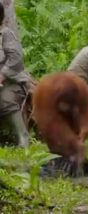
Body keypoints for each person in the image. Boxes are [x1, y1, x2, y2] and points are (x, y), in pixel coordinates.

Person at [0, 2, 32, 147]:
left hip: (11, 82)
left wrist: (2, 75)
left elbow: (16, 58)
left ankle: (23, 137)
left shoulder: (6, 34)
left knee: (6, 100)